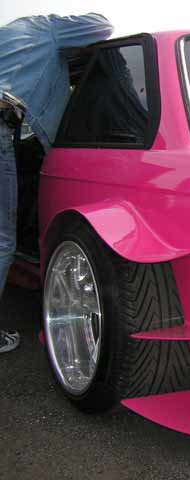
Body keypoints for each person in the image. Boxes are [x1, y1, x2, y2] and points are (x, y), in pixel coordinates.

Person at [0, 13, 113, 354]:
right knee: (2, 240)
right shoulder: (44, 27)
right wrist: (69, 47)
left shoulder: (6, 37)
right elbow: (102, 25)